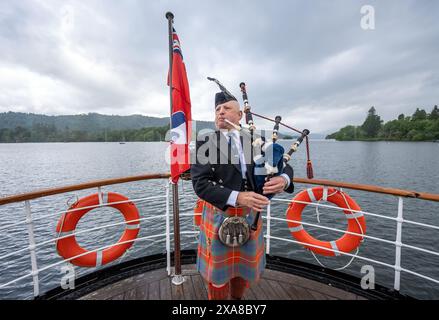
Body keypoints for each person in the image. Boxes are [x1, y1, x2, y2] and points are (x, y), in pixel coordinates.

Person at [191, 90, 295, 300]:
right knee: (218, 277)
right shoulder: (205, 143)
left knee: (242, 271)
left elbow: (283, 166)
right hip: (220, 213)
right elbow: (200, 184)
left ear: (239, 116)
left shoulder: (256, 140)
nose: (220, 113)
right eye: (217, 110)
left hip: (251, 217)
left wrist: (283, 179)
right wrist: (238, 197)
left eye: (226, 108)